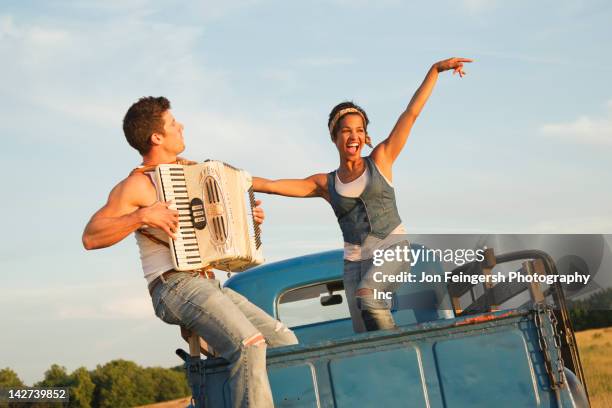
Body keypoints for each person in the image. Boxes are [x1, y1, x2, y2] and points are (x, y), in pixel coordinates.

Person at [82, 96, 298, 408]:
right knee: (248, 345)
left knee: (283, 342)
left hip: (207, 283)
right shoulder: (139, 185)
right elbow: (90, 236)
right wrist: (141, 216)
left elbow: (219, 218)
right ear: (156, 137)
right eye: (173, 123)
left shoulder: (192, 173)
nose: (181, 126)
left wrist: (248, 219)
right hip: (172, 285)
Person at [253, 57, 472, 333]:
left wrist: (435, 71)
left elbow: (411, 114)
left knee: (369, 298)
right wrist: (228, 176)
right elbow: (272, 184)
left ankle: (397, 348)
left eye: (359, 130)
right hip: (354, 262)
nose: (353, 136)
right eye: (346, 131)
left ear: (365, 136)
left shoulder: (380, 159)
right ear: (335, 137)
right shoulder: (325, 183)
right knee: (364, 331)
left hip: (393, 248)